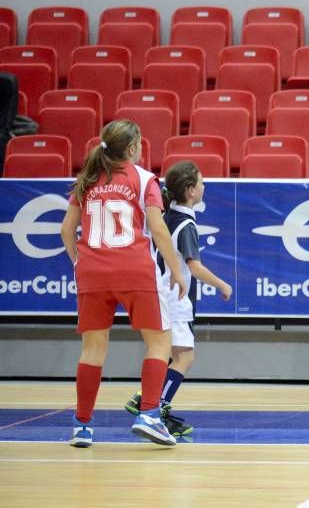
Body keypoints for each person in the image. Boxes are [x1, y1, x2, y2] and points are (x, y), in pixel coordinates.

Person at [60, 120, 187, 448]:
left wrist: (81, 263)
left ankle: (82, 425)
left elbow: (65, 231)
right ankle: (148, 415)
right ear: (132, 148)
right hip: (134, 269)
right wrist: (175, 270)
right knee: (160, 342)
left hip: (92, 272)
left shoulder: (85, 180)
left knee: (92, 349)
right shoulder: (144, 179)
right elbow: (158, 230)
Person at [124, 160, 233, 436]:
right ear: (190, 190)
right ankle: (155, 409)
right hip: (175, 295)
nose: (204, 186)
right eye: (202, 182)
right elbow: (194, 267)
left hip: (160, 292)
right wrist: (222, 285)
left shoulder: (167, 216)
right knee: (185, 357)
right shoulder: (186, 225)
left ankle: (147, 401)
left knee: (171, 355)